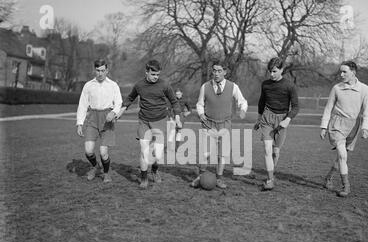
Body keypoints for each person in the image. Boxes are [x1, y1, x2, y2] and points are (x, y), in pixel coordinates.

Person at [117, 59, 182, 189]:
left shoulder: (165, 85)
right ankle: (144, 178)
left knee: (157, 154)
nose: (156, 77)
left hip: (160, 120)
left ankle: (154, 169)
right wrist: (121, 111)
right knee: (144, 150)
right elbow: (130, 98)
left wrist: (178, 117)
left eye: (158, 74)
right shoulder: (139, 85)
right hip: (144, 121)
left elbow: (174, 102)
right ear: (146, 72)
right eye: (153, 74)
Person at [191, 60, 248, 189]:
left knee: (222, 154)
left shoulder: (233, 87)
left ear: (225, 72)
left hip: (225, 125)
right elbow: (199, 104)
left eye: (219, 71)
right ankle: (200, 177)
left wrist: (243, 110)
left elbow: (242, 101)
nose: (216, 73)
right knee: (205, 153)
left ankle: (219, 179)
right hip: (209, 124)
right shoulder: (205, 86)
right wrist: (201, 114)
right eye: (214, 70)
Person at [320, 60, 368, 197]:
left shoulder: (364, 89)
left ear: (353, 72)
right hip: (337, 125)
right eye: (340, 72)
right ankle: (346, 187)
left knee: (340, 157)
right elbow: (328, 108)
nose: (341, 74)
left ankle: (328, 178)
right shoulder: (336, 88)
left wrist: (366, 128)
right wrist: (323, 127)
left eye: (345, 72)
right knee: (343, 155)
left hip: (354, 126)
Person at [254, 57, 299, 191]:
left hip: (282, 120)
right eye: (270, 71)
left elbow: (296, 107)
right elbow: (261, 103)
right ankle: (270, 179)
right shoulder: (265, 85)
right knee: (267, 150)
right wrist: (258, 119)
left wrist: (287, 119)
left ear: (282, 70)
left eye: (274, 71)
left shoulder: (289, 86)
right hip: (267, 118)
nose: (271, 74)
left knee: (275, 152)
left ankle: (271, 173)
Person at [76, 59, 122, 183]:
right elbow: (82, 105)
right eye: (97, 70)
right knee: (88, 150)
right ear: (94, 70)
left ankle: (106, 173)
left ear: (107, 71)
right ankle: (95, 166)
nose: (100, 73)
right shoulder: (88, 85)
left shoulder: (113, 85)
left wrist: (113, 112)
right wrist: (79, 123)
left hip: (107, 119)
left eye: (102, 70)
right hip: (92, 118)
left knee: (103, 152)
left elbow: (119, 103)